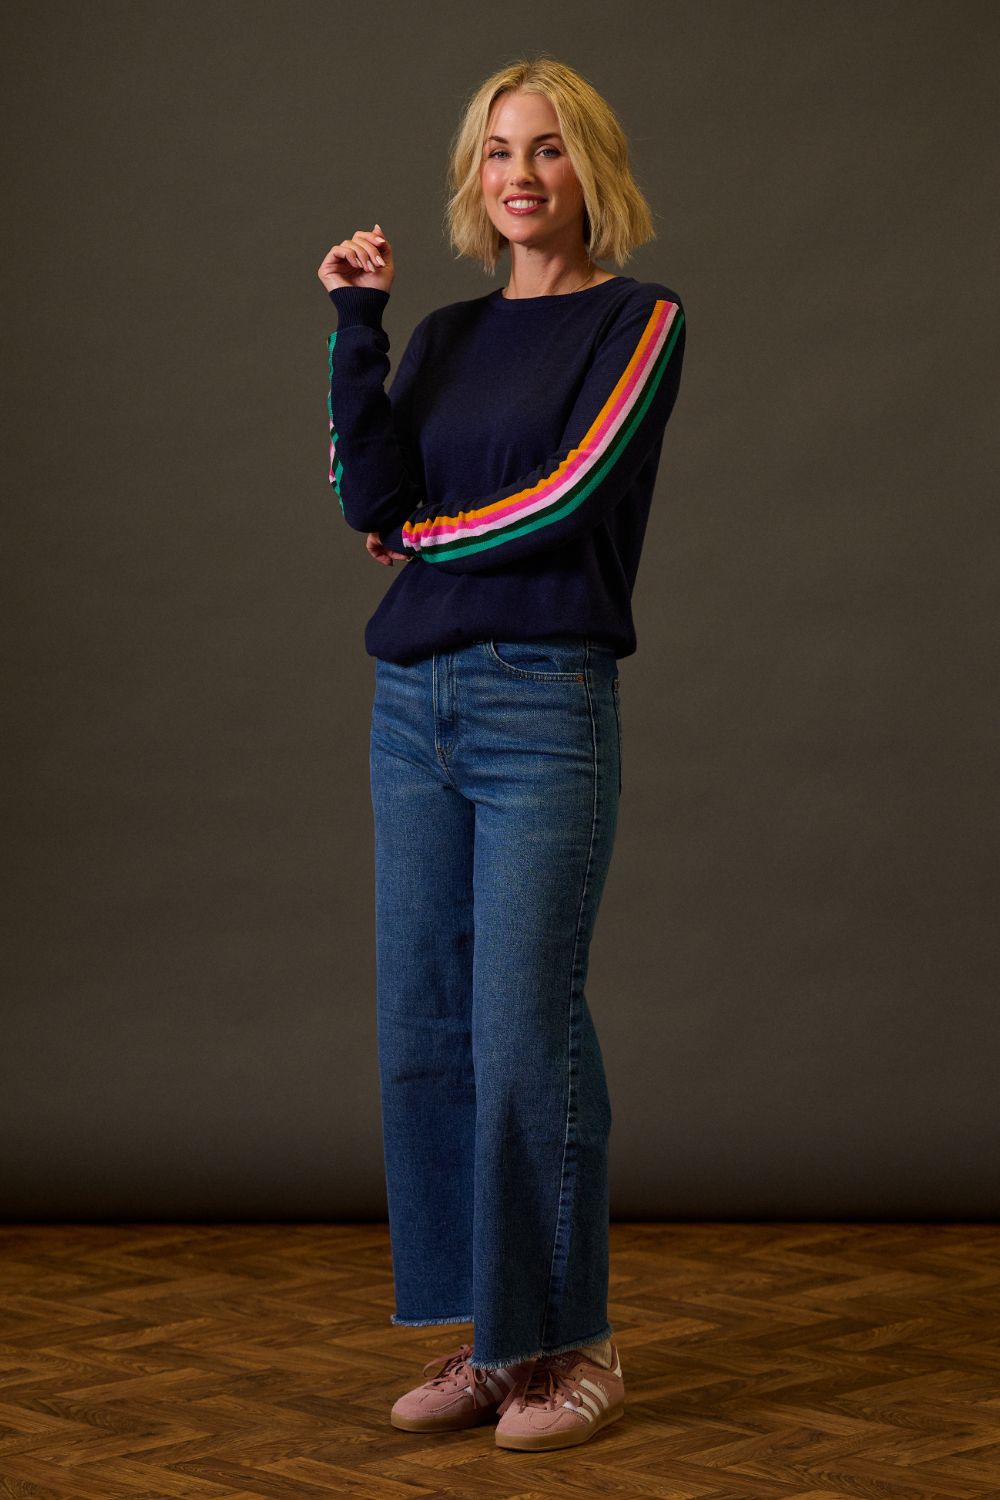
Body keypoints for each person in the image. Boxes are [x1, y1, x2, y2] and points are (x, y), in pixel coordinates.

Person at [316, 55, 686, 1452]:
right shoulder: (444, 334)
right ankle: (494, 1342)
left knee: (526, 1028)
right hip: (412, 706)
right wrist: (358, 323)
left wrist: (421, 540)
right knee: (428, 1026)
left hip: (542, 702)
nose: (520, 175)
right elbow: (366, 491)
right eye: (496, 151)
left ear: (593, 167)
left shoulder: (640, 322)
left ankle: (575, 1346)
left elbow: (566, 497)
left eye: (547, 148)